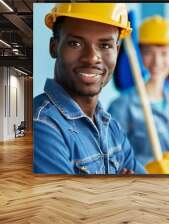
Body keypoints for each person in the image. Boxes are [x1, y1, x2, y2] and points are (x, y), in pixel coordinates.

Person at [33, 3, 145, 174]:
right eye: (75, 43)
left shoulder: (110, 126)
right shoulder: (43, 126)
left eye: (105, 45)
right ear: (54, 47)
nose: (92, 58)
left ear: (117, 50)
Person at [109, 16, 169, 165]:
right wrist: (145, 170)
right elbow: (112, 160)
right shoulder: (122, 106)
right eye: (148, 52)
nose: (157, 62)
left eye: (164, 54)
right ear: (139, 56)